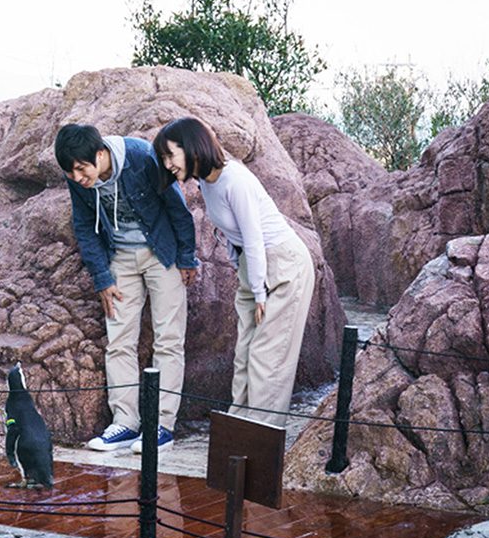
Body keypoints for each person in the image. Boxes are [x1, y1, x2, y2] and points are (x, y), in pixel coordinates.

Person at [153, 117, 315, 428]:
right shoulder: (207, 182)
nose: (167, 164)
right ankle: (238, 431)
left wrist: (258, 291)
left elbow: (254, 237)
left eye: (170, 154)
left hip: (282, 266)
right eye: (163, 158)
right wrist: (245, 276)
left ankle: (260, 439)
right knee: (244, 356)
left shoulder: (235, 179)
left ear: (192, 147)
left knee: (268, 359)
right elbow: (234, 237)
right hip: (251, 268)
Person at [55, 123, 199, 453]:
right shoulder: (77, 179)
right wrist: (102, 278)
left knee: (169, 339)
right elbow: (84, 226)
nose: (77, 177)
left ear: (101, 154)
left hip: (162, 254)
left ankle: (162, 426)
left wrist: (187, 257)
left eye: (81, 168)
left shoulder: (141, 157)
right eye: (71, 172)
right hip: (119, 258)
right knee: (118, 339)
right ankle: (125, 421)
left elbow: (177, 208)